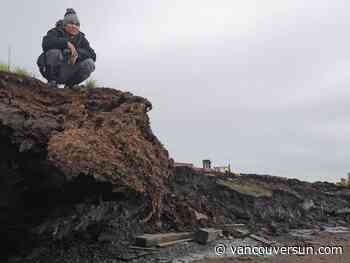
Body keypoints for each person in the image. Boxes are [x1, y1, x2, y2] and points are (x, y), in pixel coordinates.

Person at [37, 8, 96, 88]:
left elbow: (92, 54)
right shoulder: (55, 31)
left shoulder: (81, 38)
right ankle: (52, 81)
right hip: (55, 69)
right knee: (54, 52)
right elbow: (46, 43)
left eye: (77, 24)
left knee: (90, 63)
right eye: (71, 23)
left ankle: (71, 85)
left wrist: (76, 54)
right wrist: (66, 44)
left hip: (71, 69)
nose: (74, 26)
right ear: (65, 24)